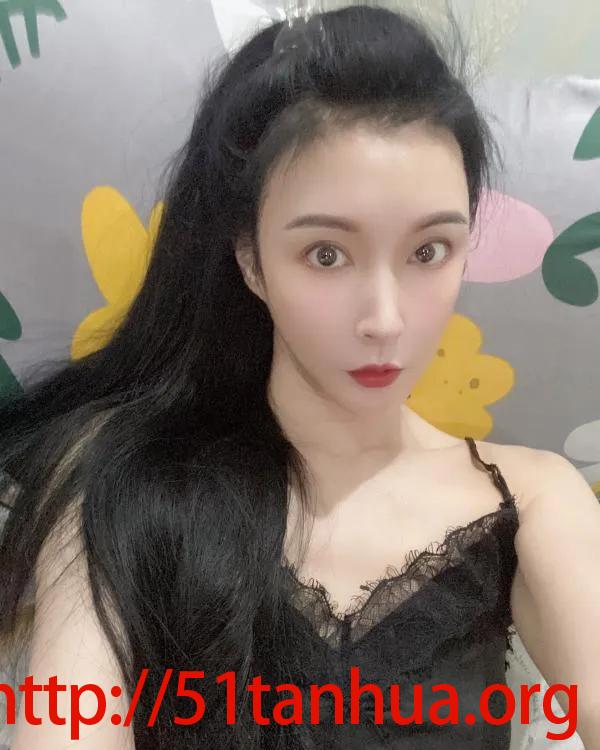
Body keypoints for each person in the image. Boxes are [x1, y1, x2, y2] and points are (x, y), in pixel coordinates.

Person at [1, 3, 599, 749]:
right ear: (251, 260)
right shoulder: (125, 485)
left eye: (428, 252)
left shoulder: (531, 501)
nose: (385, 319)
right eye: (326, 254)